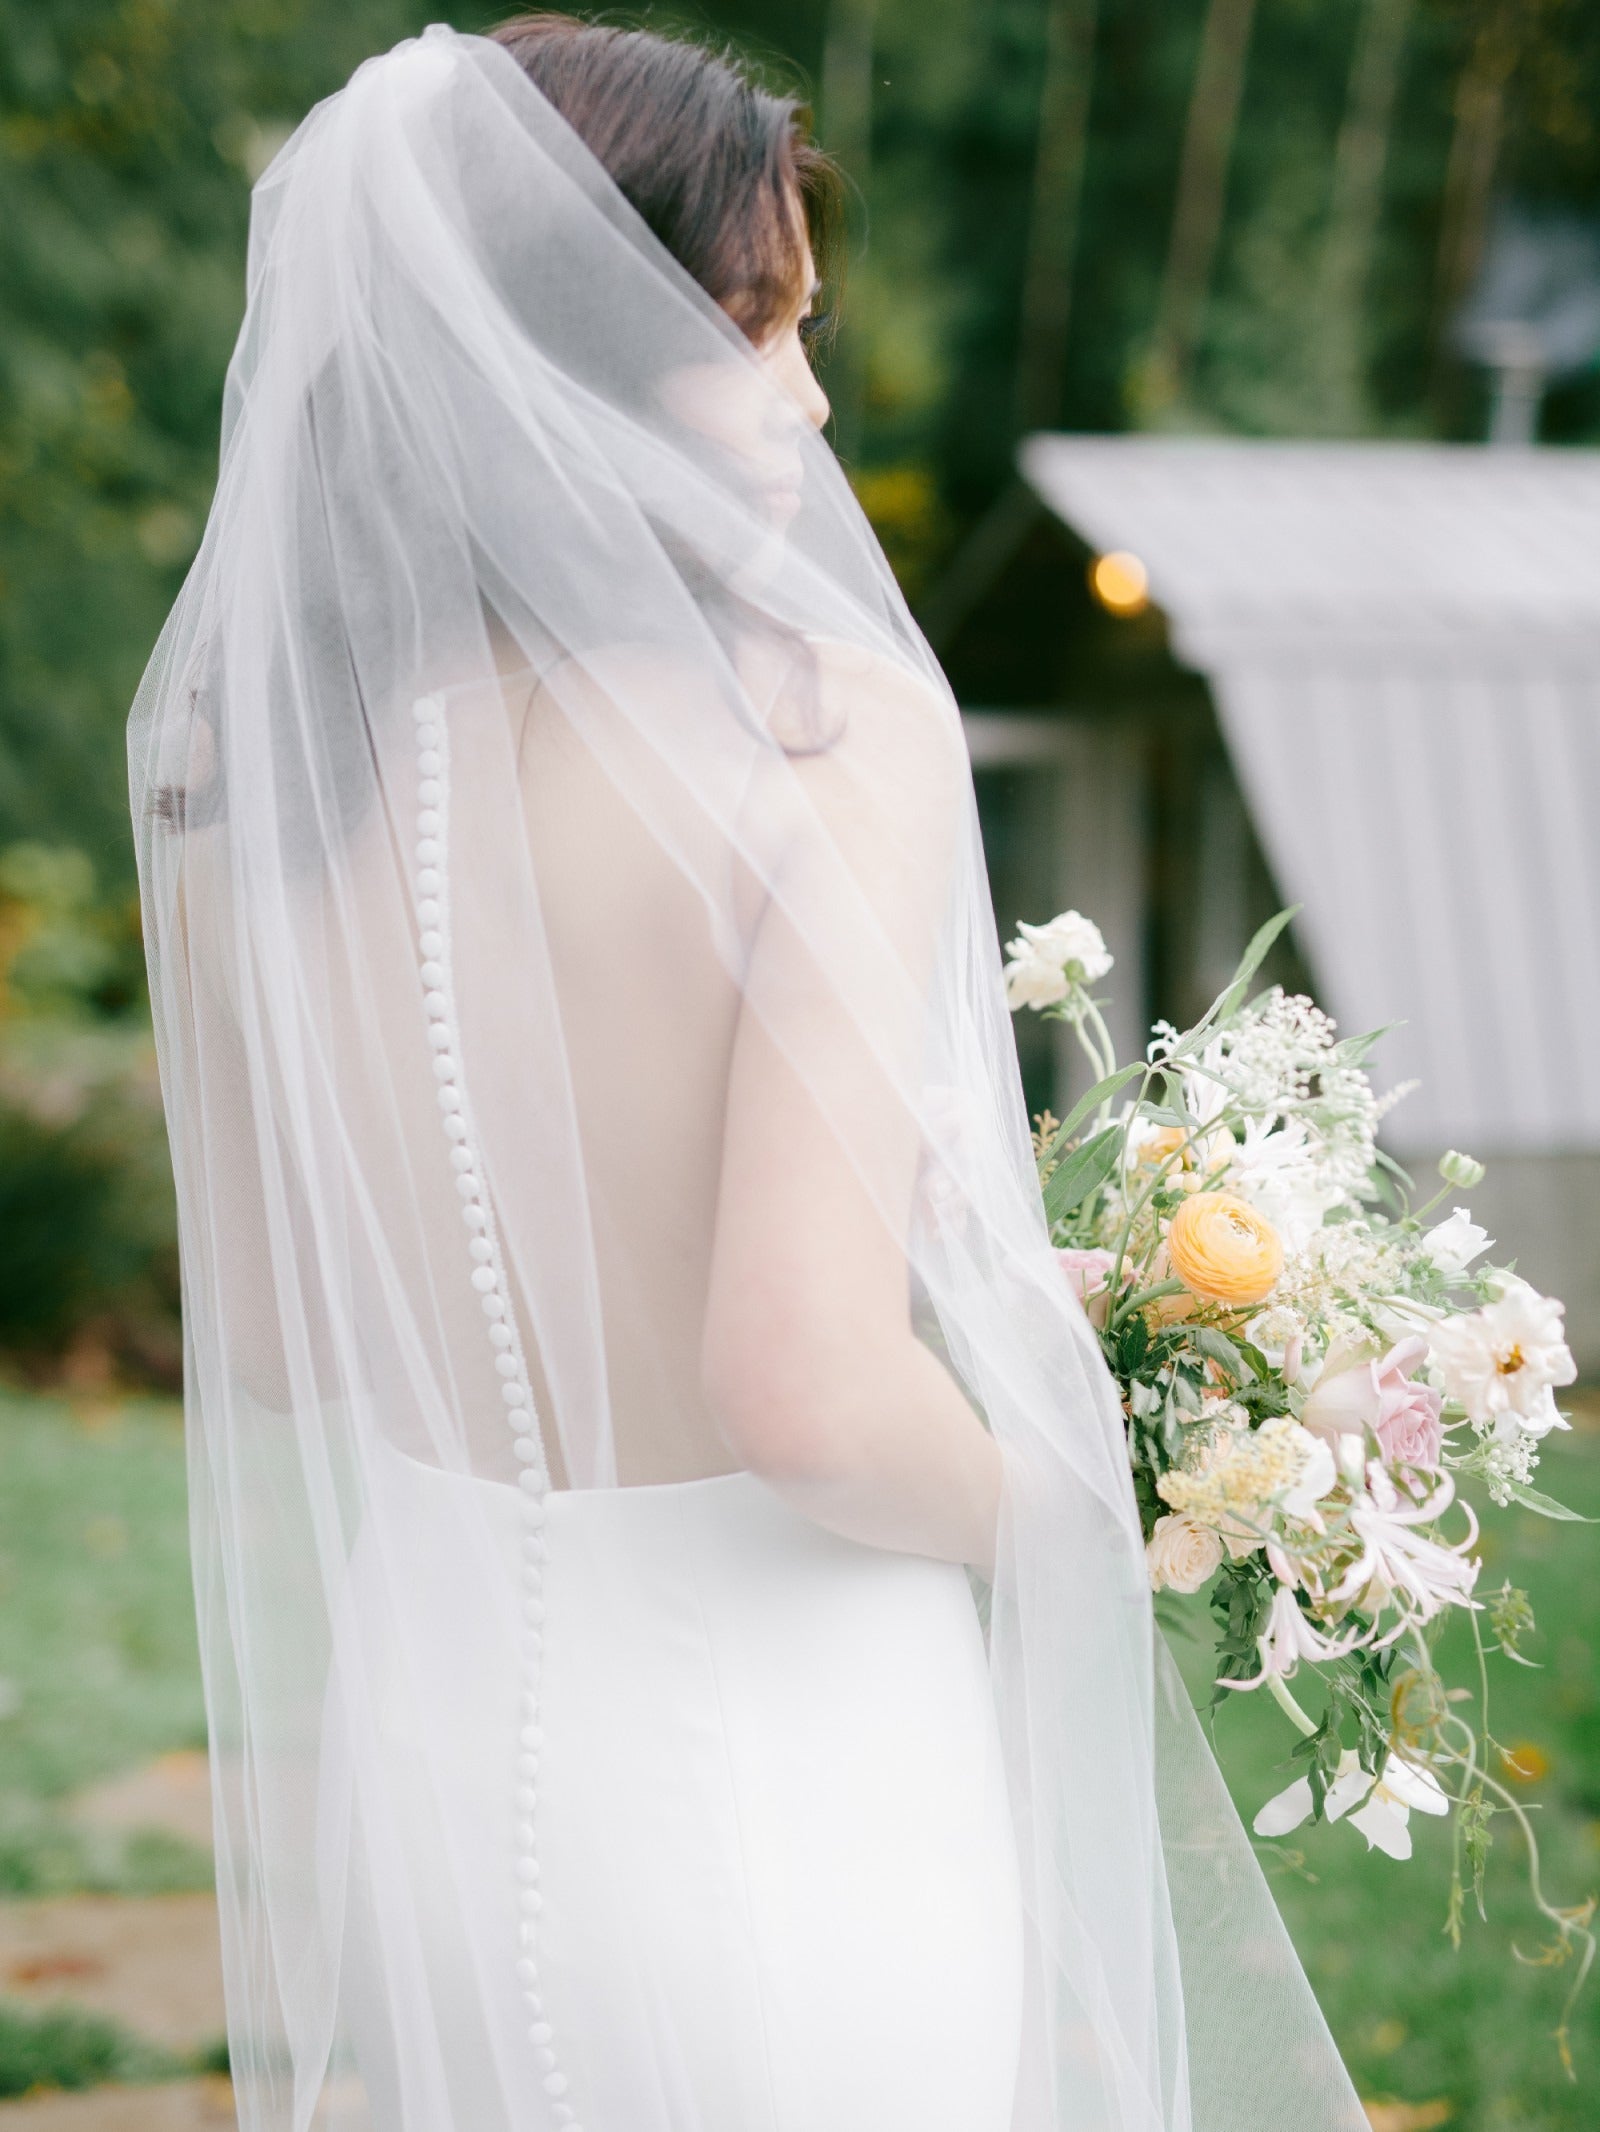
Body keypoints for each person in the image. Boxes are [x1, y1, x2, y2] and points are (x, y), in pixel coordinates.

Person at [128, 18, 1369, 2131]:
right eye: (750, 322)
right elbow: (804, 1391)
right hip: (772, 1781)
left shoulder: (260, 768)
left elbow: (268, 1338)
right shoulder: (814, 739)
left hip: (431, 1763)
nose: (806, 390)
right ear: (568, 343)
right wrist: (1113, 1513)